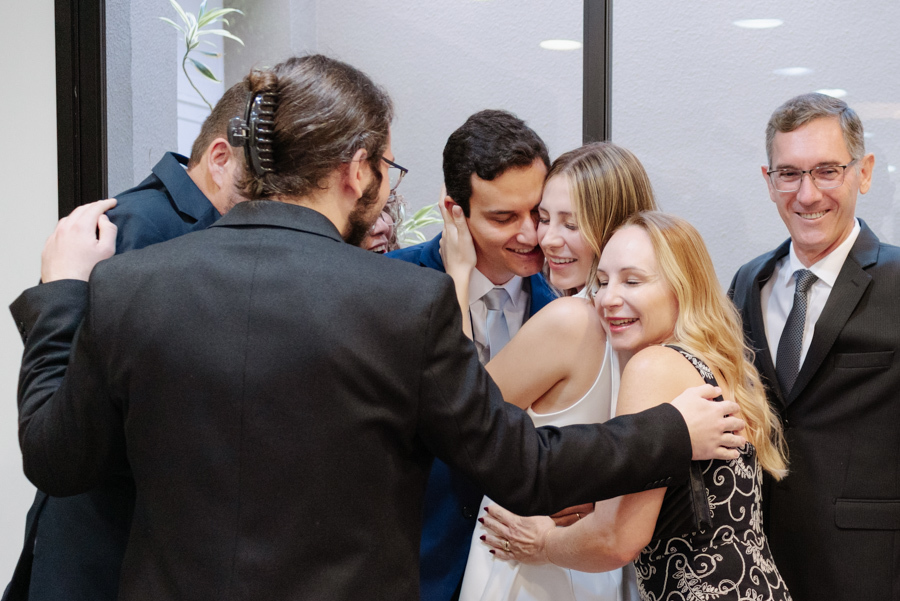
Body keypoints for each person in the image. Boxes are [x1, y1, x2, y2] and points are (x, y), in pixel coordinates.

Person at [11, 55, 745, 601]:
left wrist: (62, 294)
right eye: (389, 166)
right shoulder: (404, 302)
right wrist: (671, 429)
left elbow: (56, 459)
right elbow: (524, 464)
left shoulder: (130, 286)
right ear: (356, 170)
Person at [3, 81, 248, 601]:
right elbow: (84, 404)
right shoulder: (141, 226)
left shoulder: (175, 225)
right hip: (101, 538)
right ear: (220, 158)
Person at [479, 212, 791, 600]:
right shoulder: (720, 365)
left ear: (682, 287)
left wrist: (543, 544)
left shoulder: (653, 366)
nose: (608, 299)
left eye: (632, 281)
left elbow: (616, 539)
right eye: (602, 281)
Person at [439, 142, 657, 601]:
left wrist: (457, 275)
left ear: (614, 227)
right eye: (545, 218)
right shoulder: (648, 321)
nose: (547, 239)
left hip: (530, 563)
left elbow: (460, 411)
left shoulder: (572, 320)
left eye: (571, 224)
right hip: (591, 566)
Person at [729, 93, 899, 601]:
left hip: (869, 569)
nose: (807, 194)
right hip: (755, 566)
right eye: (789, 174)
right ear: (769, 181)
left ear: (863, 173)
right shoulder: (748, 282)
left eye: (827, 171)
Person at [387, 109, 556, 600]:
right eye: (504, 218)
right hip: (414, 569)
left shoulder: (565, 306)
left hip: (523, 579)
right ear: (454, 210)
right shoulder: (390, 286)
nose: (530, 234)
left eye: (538, 212)